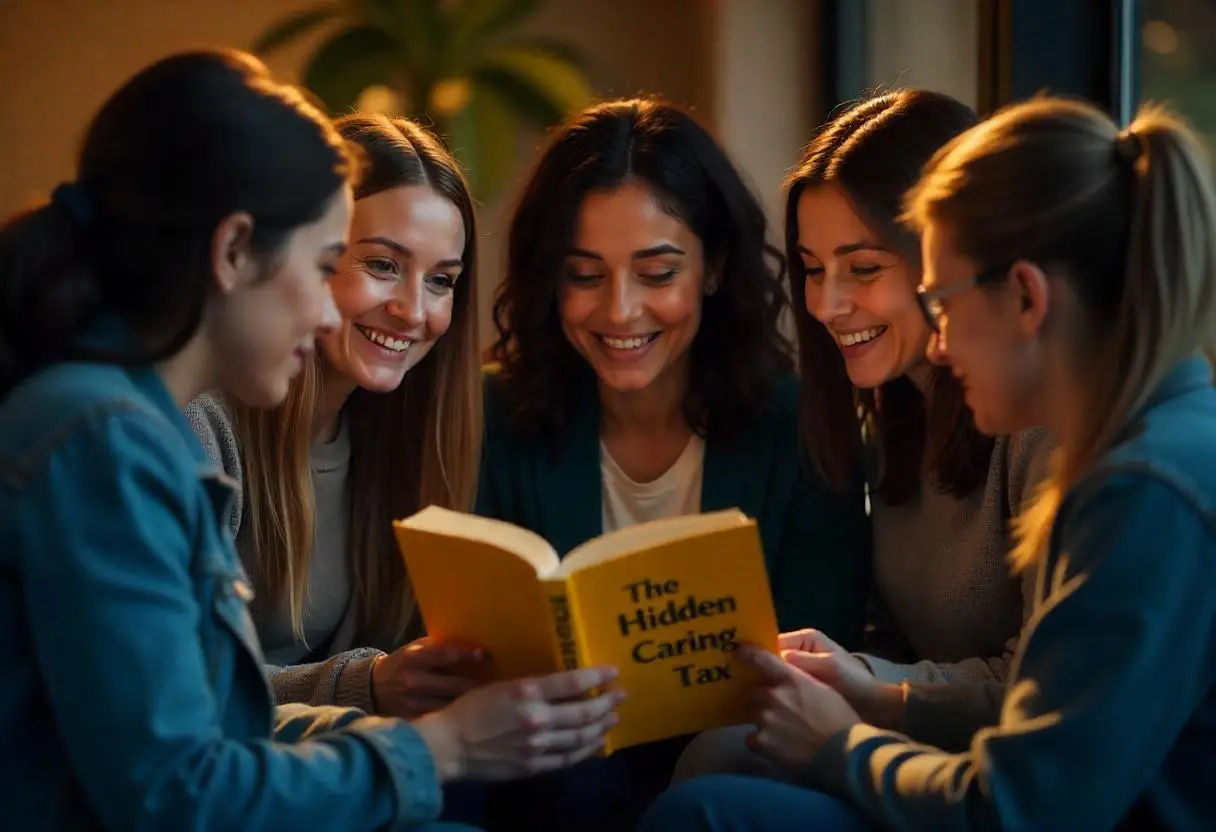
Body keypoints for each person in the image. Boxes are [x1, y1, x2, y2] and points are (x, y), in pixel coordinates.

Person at [0, 48, 620, 831]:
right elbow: (176, 791)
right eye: (336, 264)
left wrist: (430, 735)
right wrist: (440, 751)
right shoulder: (105, 443)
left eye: (442, 281)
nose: (332, 315)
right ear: (232, 253)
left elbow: (221, 737)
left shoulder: (127, 427)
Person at [639, 96, 1216, 831]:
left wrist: (839, 740)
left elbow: (1016, 807)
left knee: (709, 811)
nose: (940, 346)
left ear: (1027, 298)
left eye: (940, 302)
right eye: (814, 270)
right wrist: (867, 693)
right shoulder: (1154, 448)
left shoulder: (1144, 490)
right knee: (718, 768)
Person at [477, 97, 870, 831]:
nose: (620, 312)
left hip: (738, 761)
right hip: (554, 771)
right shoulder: (496, 416)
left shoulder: (800, 421)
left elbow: (823, 645)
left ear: (715, 266)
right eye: (584, 276)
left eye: (657, 273)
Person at [674, 89, 1053, 781]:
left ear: (946, 253)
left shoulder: (1041, 426)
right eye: (813, 269)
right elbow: (894, 632)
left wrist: (869, 687)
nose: (824, 303)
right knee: (717, 752)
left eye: (864, 268)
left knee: (717, 782)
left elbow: (1050, 691)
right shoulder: (885, 413)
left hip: (996, 768)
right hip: (914, 738)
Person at [187, 114, 484, 720]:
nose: (412, 310)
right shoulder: (203, 424)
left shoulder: (389, 434)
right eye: (381, 265)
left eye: (442, 281)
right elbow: (187, 685)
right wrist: (364, 684)